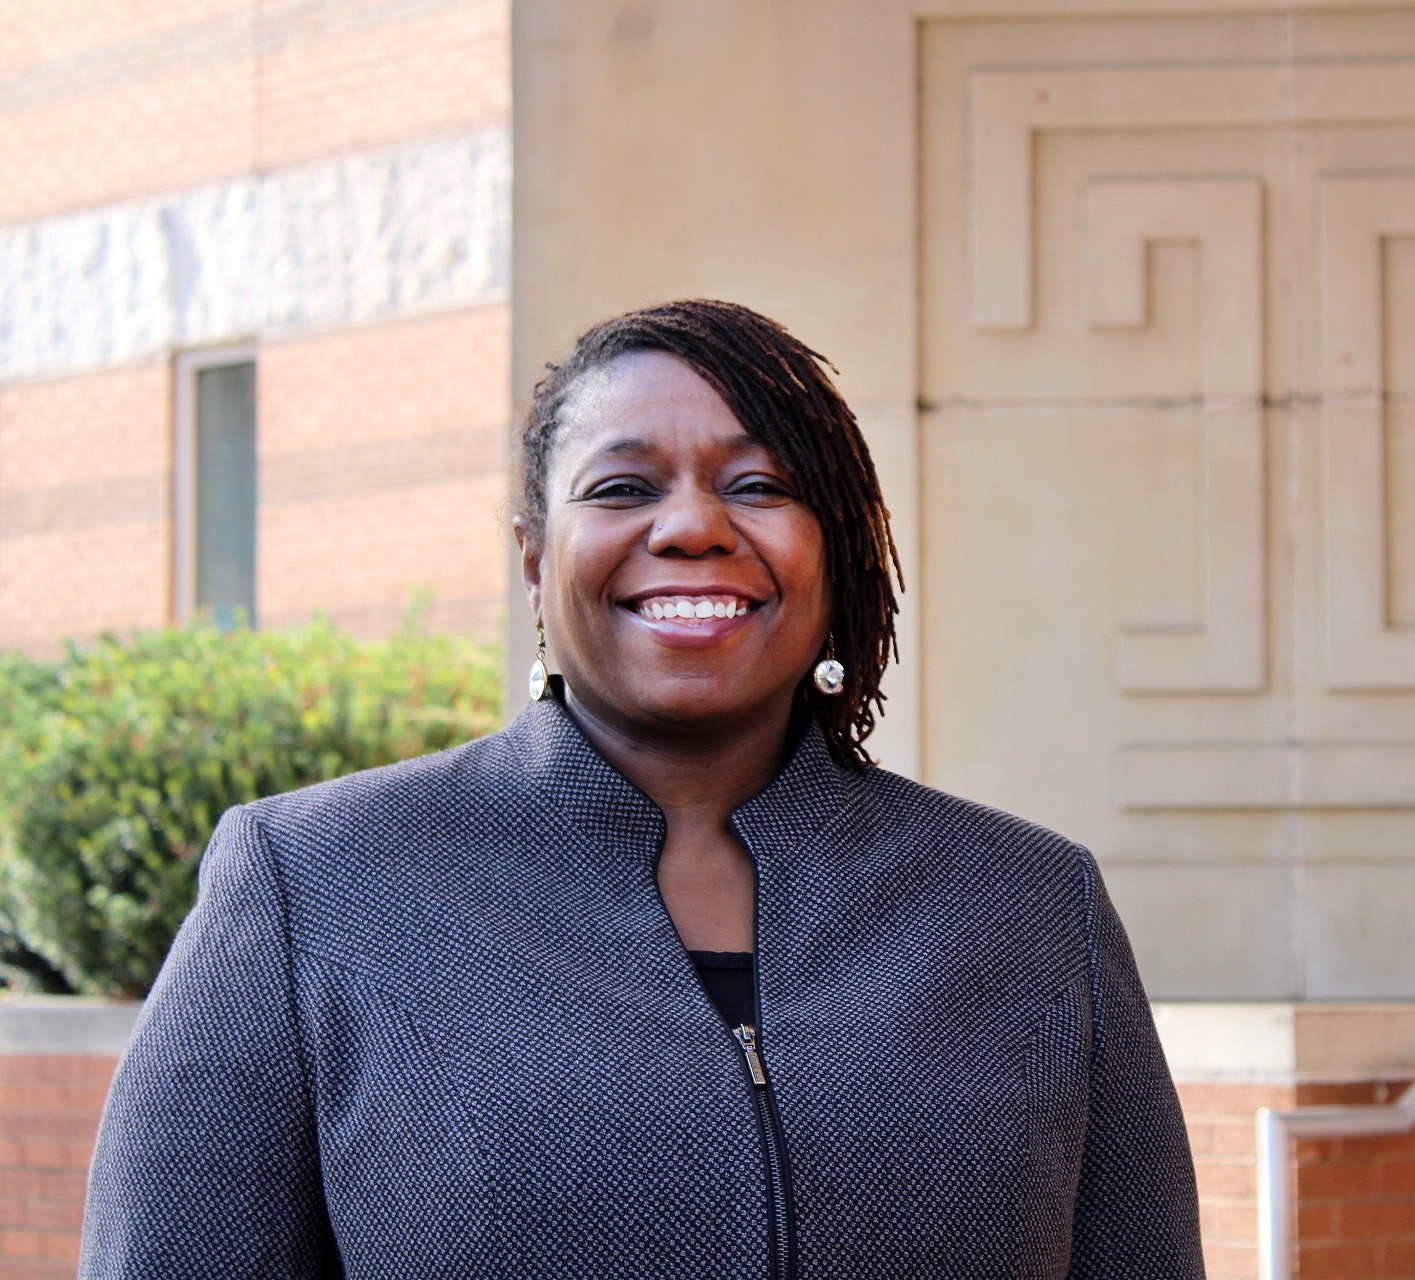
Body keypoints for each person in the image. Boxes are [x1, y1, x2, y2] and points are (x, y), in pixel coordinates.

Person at [80, 299, 1204, 1278]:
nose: (692, 525)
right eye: (622, 486)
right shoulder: (314, 890)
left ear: (841, 552)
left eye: (758, 484)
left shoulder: (1029, 907)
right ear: (535, 561)